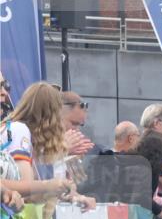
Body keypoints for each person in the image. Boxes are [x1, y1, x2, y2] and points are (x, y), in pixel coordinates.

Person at [0, 82, 94, 210]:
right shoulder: (19, 130)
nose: (76, 130)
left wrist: (67, 192)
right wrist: (52, 185)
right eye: (73, 123)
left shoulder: (24, 134)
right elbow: (27, 191)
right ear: (50, 115)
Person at [60, 90, 95, 157]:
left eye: (80, 125)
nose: (77, 130)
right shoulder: (38, 142)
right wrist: (62, 152)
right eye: (74, 124)